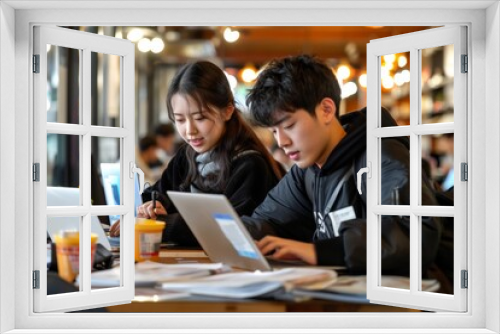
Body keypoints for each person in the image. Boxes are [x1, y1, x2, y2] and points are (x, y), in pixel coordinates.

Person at [242, 55, 441, 276]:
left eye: (289, 125)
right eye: (274, 131)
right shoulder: (306, 170)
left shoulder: (382, 155)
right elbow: (268, 221)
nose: (282, 142)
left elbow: (410, 234)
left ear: (326, 110)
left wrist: (318, 252)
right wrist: (223, 230)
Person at [110, 61, 283, 246]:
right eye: (180, 120)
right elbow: (158, 193)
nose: (189, 130)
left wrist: (161, 223)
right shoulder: (186, 156)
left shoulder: (250, 164)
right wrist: (149, 208)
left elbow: (231, 230)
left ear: (227, 111)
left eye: (200, 118)